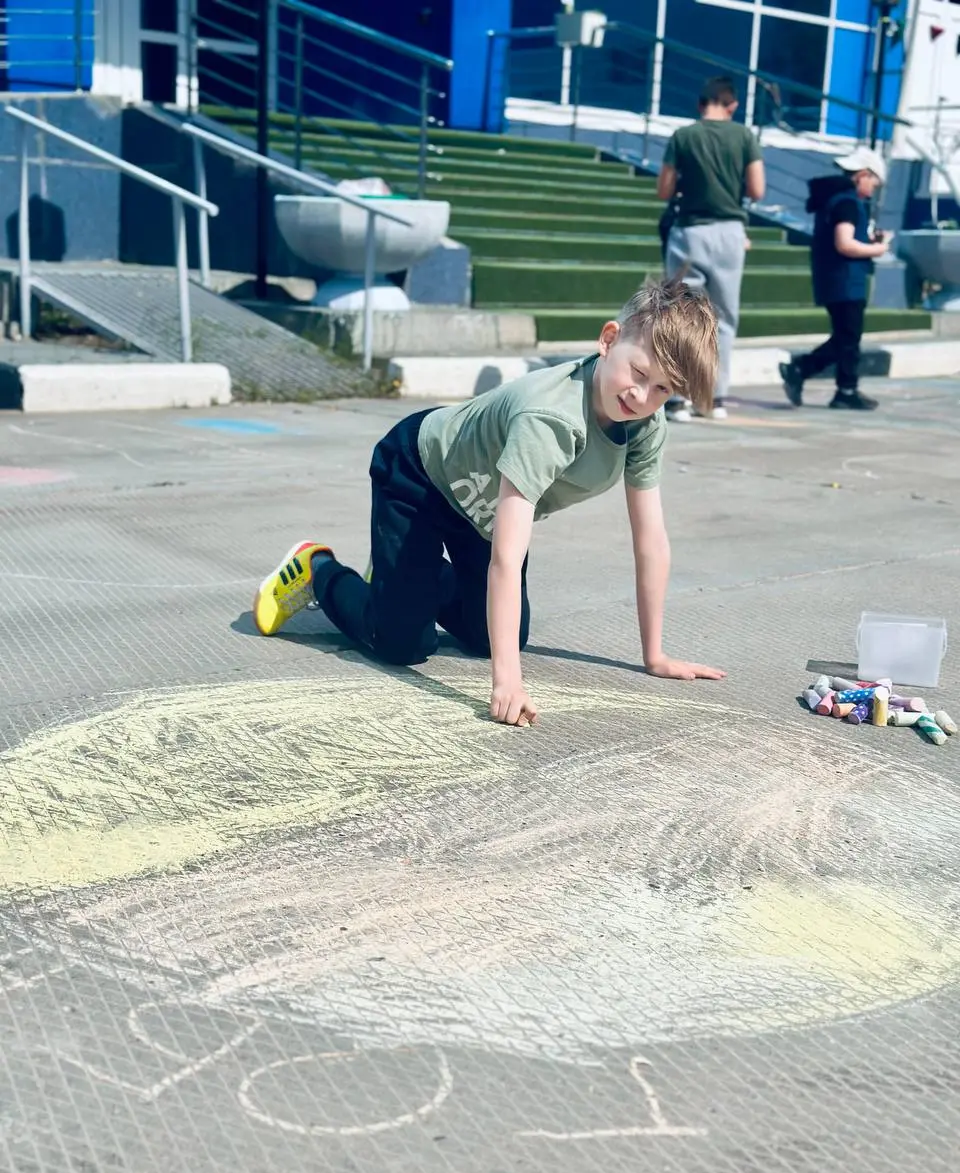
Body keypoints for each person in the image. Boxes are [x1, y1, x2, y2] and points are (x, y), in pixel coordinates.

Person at [252, 278, 727, 727]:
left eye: (663, 389)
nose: (641, 396)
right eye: (638, 373)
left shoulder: (645, 426)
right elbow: (506, 558)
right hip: (419, 472)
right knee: (400, 642)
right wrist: (507, 682)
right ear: (608, 340)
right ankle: (319, 570)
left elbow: (650, 541)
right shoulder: (550, 419)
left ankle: (403, 576)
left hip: (480, 509)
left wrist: (654, 655)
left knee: (495, 637)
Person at [657, 76, 765, 422]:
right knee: (724, 319)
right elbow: (757, 189)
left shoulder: (683, 136)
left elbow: (664, 190)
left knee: (682, 314)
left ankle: (678, 399)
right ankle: (714, 398)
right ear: (732, 105)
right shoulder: (744, 136)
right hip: (730, 233)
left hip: (690, 231)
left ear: (700, 103)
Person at [779, 147, 892, 411]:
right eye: (873, 182)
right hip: (845, 280)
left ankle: (846, 389)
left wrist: (868, 241)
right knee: (847, 338)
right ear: (862, 175)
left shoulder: (837, 201)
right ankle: (802, 369)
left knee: (847, 337)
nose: (873, 189)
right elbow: (845, 243)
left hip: (836, 279)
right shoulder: (846, 203)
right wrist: (878, 249)